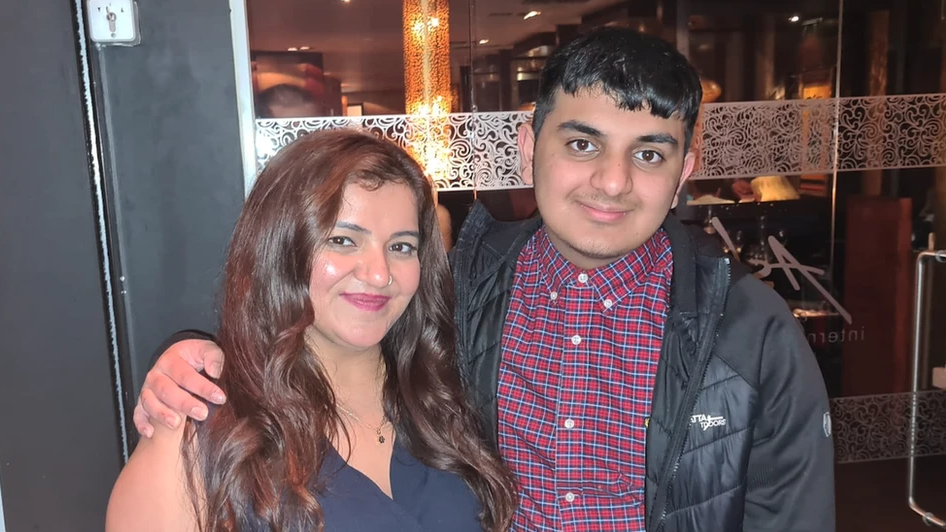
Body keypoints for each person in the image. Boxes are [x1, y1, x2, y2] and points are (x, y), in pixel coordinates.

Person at [132, 28, 835, 531]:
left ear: (683, 172)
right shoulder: (455, 295)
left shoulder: (751, 333)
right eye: (582, 143)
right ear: (529, 147)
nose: (612, 182)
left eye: (649, 154)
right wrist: (197, 353)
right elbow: (322, 323)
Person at [106, 129, 517, 531]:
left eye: (401, 247)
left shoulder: (449, 393)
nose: (378, 274)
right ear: (282, 247)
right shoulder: (199, 420)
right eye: (342, 241)